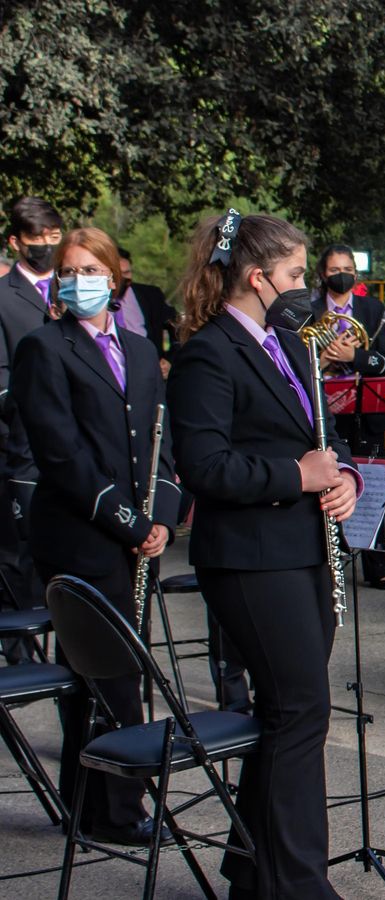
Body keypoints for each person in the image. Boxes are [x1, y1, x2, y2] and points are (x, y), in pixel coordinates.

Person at [169, 210, 361, 898]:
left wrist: (340, 479)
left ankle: (256, 874)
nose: (305, 287)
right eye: (295, 275)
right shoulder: (209, 352)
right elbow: (205, 465)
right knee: (299, 710)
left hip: (303, 549)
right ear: (258, 278)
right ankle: (296, 884)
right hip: (251, 559)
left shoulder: (288, 344)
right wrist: (298, 477)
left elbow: (317, 438)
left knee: (291, 712)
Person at [13, 227, 180, 846]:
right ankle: (116, 808)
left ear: (114, 278)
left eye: (90, 268)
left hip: (137, 534)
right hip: (84, 534)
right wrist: (129, 523)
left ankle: (90, 802)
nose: (79, 278)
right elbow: (62, 455)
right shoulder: (44, 347)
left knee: (119, 671)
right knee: (105, 675)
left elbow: (162, 445)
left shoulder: (139, 349)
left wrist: (162, 513)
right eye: (69, 269)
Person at [312, 244, 385, 590]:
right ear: (322, 274)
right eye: (334, 269)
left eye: (346, 268)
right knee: (327, 485)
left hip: (365, 408)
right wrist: (325, 357)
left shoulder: (372, 308)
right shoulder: (309, 309)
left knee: (370, 482)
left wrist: (355, 355)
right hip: (324, 408)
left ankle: (376, 564)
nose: (341, 274)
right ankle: (327, 563)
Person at [0, 196, 62, 635]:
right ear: (16, 242)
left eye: (53, 237)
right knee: (22, 552)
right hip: (23, 442)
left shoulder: (76, 283)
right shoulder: (3, 297)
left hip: (79, 440)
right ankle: (21, 646)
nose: (46, 246)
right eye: (37, 239)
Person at [115, 247, 178, 367]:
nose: (125, 279)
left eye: (127, 273)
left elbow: (177, 326)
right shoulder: (98, 302)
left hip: (150, 368)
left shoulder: (151, 296)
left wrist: (170, 359)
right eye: (119, 274)